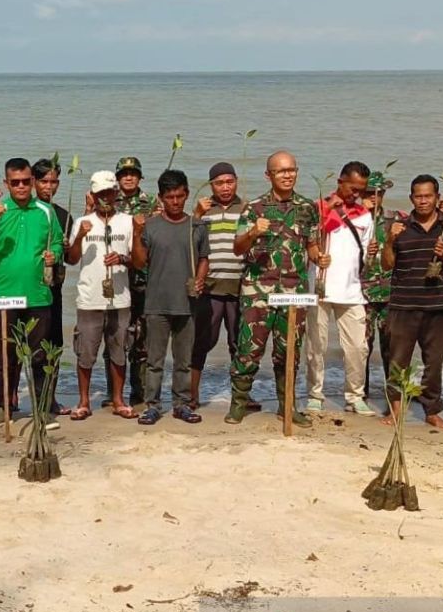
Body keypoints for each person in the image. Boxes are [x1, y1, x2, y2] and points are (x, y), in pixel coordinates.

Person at [227, 150, 322, 426]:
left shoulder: (307, 207)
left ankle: (287, 406)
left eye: (291, 169)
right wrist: (254, 232)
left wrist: (320, 257)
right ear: (268, 175)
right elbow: (237, 248)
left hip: (294, 292)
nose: (287, 175)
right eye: (281, 171)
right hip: (258, 291)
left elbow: (311, 246)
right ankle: (239, 403)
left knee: (289, 351)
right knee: (249, 349)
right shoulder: (254, 208)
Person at [0, 157, 63, 430]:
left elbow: (57, 241)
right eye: (15, 182)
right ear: (6, 183)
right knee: (7, 356)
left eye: (26, 181)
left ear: (33, 182)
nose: (21, 187)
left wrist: (53, 254)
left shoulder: (46, 211)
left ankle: (42, 411)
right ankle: (3, 408)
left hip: (38, 296)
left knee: (39, 357)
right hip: (4, 296)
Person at [380, 174, 443, 429]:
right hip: (403, 304)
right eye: (418, 196)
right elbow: (386, 264)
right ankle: (395, 409)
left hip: (440, 303)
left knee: (434, 361)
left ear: (437, 197)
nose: (423, 201)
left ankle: (432, 410)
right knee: (398, 360)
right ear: (411, 198)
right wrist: (390, 240)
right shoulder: (399, 225)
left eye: (428, 196)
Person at [131, 169, 208, 425]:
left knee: (183, 361)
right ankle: (152, 405)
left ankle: (182, 404)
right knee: (154, 361)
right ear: (161, 198)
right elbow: (139, 262)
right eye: (169, 197)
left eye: (179, 196)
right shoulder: (150, 226)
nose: (175, 202)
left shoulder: (196, 226)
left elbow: (204, 258)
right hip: (156, 303)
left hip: (187, 303)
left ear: (186, 194)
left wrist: (200, 278)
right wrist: (135, 232)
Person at [305, 161, 375, 415]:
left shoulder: (366, 215)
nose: (356, 194)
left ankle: (355, 395)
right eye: (353, 188)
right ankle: (315, 393)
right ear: (340, 182)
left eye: (361, 190)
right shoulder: (317, 208)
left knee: (358, 347)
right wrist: (315, 256)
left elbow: (365, 255)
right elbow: (305, 243)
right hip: (319, 288)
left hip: (352, 290)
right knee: (316, 346)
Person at [65, 171, 136, 420]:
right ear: (93, 196)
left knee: (119, 352)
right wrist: (81, 237)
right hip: (89, 298)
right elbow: (72, 259)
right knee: (86, 353)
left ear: (117, 193)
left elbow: (139, 260)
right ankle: (84, 401)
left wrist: (123, 258)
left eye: (109, 193)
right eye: (100, 194)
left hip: (120, 298)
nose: (105, 198)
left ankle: (118, 399)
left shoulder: (128, 221)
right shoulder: (82, 222)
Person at [192, 161, 258, 410]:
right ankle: (192, 393)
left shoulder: (247, 209)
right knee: (202, 342)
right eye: (219, 183)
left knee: (239, 344)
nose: (225, 187)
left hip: (239, 287)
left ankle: (242, 395)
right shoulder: (204, 210)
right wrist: (196, 215)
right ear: (212, 185)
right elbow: (190, 244)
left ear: (237, 182)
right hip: (210, 288)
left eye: (229, 182)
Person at [112, 155, 157, 407]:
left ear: (140, 177)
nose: (128, 177)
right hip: (116, 278)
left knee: (142, 338)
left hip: (143, 278)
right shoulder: (108, 201)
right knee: (115, 336)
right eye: (124, 174)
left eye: (133, 173)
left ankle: (139, 392)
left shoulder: (151, 202)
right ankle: (112, 393)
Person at [32, 158, 74, 417]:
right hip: (28, 287)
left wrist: (66, 247)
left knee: (53, 345)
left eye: (54, 181)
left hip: (53, 288)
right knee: (21, 347)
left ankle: (48, 399)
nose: (50, 186)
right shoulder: (26, 209)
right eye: (44, 181)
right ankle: (10, 399)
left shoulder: (63, 214)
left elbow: (70, 257)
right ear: (34, 182)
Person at [358, 172, 403, 401]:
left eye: (379, 193)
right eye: (368, 193)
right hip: (361, 293)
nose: (374, 198)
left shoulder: (396, 219)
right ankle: (359, 394)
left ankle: (393, 395)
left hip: (389, 292)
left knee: (392, 348)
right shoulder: (352, 220)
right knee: (361, 347)